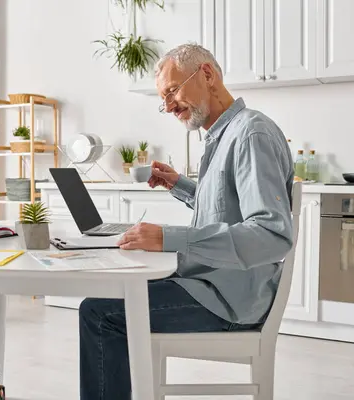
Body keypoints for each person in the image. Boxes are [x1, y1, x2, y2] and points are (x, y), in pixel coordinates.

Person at [79, 43, 295, 399]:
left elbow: (271, 234)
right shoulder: (225, 134)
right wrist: (180, 185)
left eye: (172, 91)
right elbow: (227, 208)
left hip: (229, 299)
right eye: (163, 99)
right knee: (111, 297)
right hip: (218, 285)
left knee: (99, 314)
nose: (168, 106)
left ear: (207, 74)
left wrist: (170, 238)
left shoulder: (250, 134)